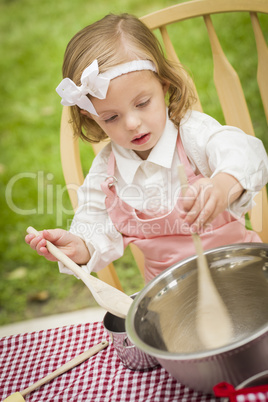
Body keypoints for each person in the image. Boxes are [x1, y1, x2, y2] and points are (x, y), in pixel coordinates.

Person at [25, 13, 268, 283]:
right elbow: (95, 227)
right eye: (111, 117)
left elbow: (247, 154)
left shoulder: (193, 136)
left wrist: (224, 185)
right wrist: (80, 247)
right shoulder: (106, 175)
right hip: (171, 293)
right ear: (91, 117)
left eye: (142, 103)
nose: (132, 123)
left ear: (163, 86)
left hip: (242, 271)